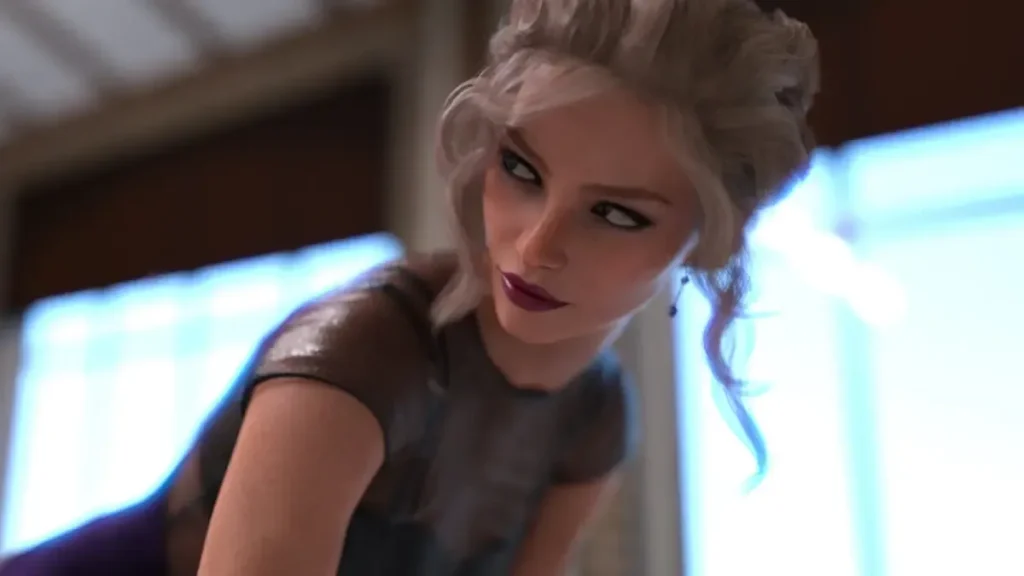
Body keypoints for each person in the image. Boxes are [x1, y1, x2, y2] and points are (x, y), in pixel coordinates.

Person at [0, 0, 819, 574]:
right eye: (521, 169)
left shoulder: (597, 415)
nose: (535, 247)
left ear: (710, 238)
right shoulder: (362, 355)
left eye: (615, 213)